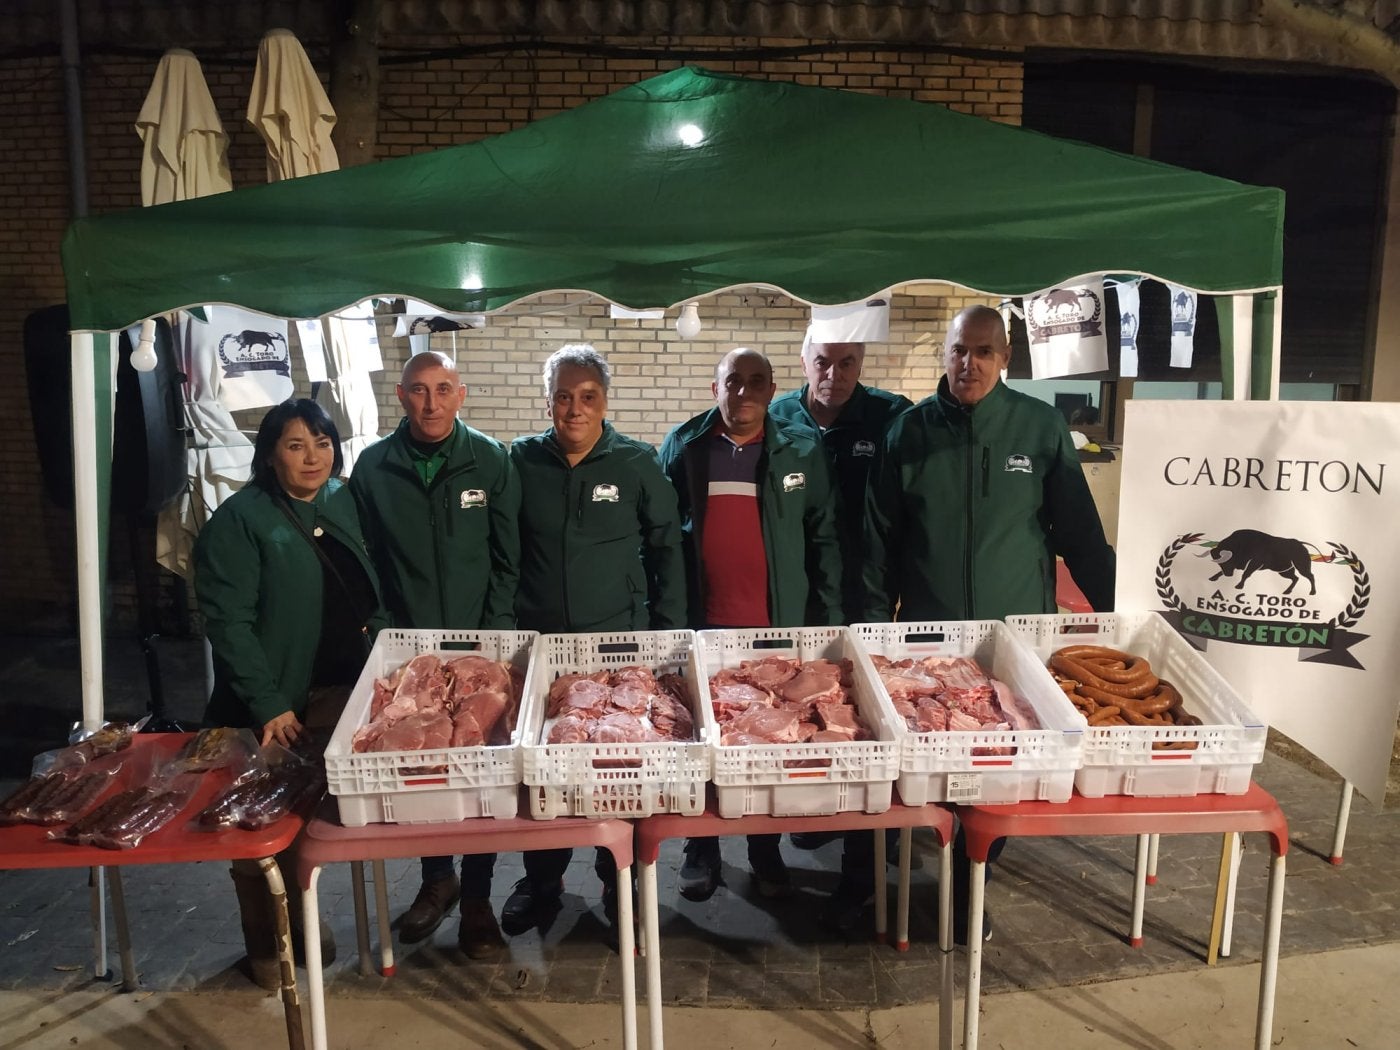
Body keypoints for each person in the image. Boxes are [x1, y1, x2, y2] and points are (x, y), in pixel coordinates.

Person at [864, 304, 1116, 941]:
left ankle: (971, 882)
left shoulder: (1038, 426)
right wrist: (869, 628)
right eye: (957, 351)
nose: (967, 364)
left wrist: (1114, 608)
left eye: (982, 352)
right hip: (930, 638)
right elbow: (880, 542)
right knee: (940, 762)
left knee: (1000, 767)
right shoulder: (909, 432)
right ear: (944, 355)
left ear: (1004, 358)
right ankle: (938, 862)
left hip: (1014, 638)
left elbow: (1079, 533)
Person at [196, 398, 381, 989]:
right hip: (274, 705)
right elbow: (228, 622)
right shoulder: (240, 521)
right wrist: (267, 700)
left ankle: (305, 921)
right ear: (270, 454)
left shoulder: (339, 500)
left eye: (322, 443)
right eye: (295, 445)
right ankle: (270, 948)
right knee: (258, 831)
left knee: (307, 822)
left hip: (334, 693)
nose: (311, 457)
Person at [349, 350, 521, 959]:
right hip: (411, 646)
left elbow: (507, 555)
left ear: (461, 394)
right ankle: (436, 878)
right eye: (419, 390)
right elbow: (364, 556)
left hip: (479, 645)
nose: (431, 402)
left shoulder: (490, 460)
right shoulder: (373, 467)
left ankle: (477, 897)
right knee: (419, 766)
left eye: (443, 389)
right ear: (401, 396)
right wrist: (382, 624)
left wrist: (496, 631)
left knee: (481, 772)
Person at [510, 343, 686, 938]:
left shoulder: (635, 463)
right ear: (548, 400)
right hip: (544, 647)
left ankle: (621, 884)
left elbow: (668, 549)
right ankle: (541, 881)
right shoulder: (521, 462)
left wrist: (668, 633)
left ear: (605, 401)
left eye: (587, 397)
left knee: (616, 774)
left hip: (620, 648)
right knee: (544, 774)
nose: (574, 408)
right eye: (563, 396)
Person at [658, 347, 842, 901]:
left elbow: (824, 541)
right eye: (732, 381)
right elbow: (663, 534)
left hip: (773, 631)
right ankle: (701, 849)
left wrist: (828, 624)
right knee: (705, 745)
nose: (743, 392)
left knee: (765, 746)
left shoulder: (801, 449)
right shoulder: (685, 445)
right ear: (716, 386)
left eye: (755, 381)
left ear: (772, 387)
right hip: (703, 625)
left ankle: (764, 844)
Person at [769, 334, 913, 932]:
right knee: (802, 713)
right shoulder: (777, 415)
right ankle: (810, 818)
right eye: (822, 362)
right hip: (795, 595)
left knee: (865, 721)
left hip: (866, 592)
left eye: (847, 362)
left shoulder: (889, 416)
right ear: (803, 362)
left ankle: (863, 865)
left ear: (862, 365)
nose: (833, 373)